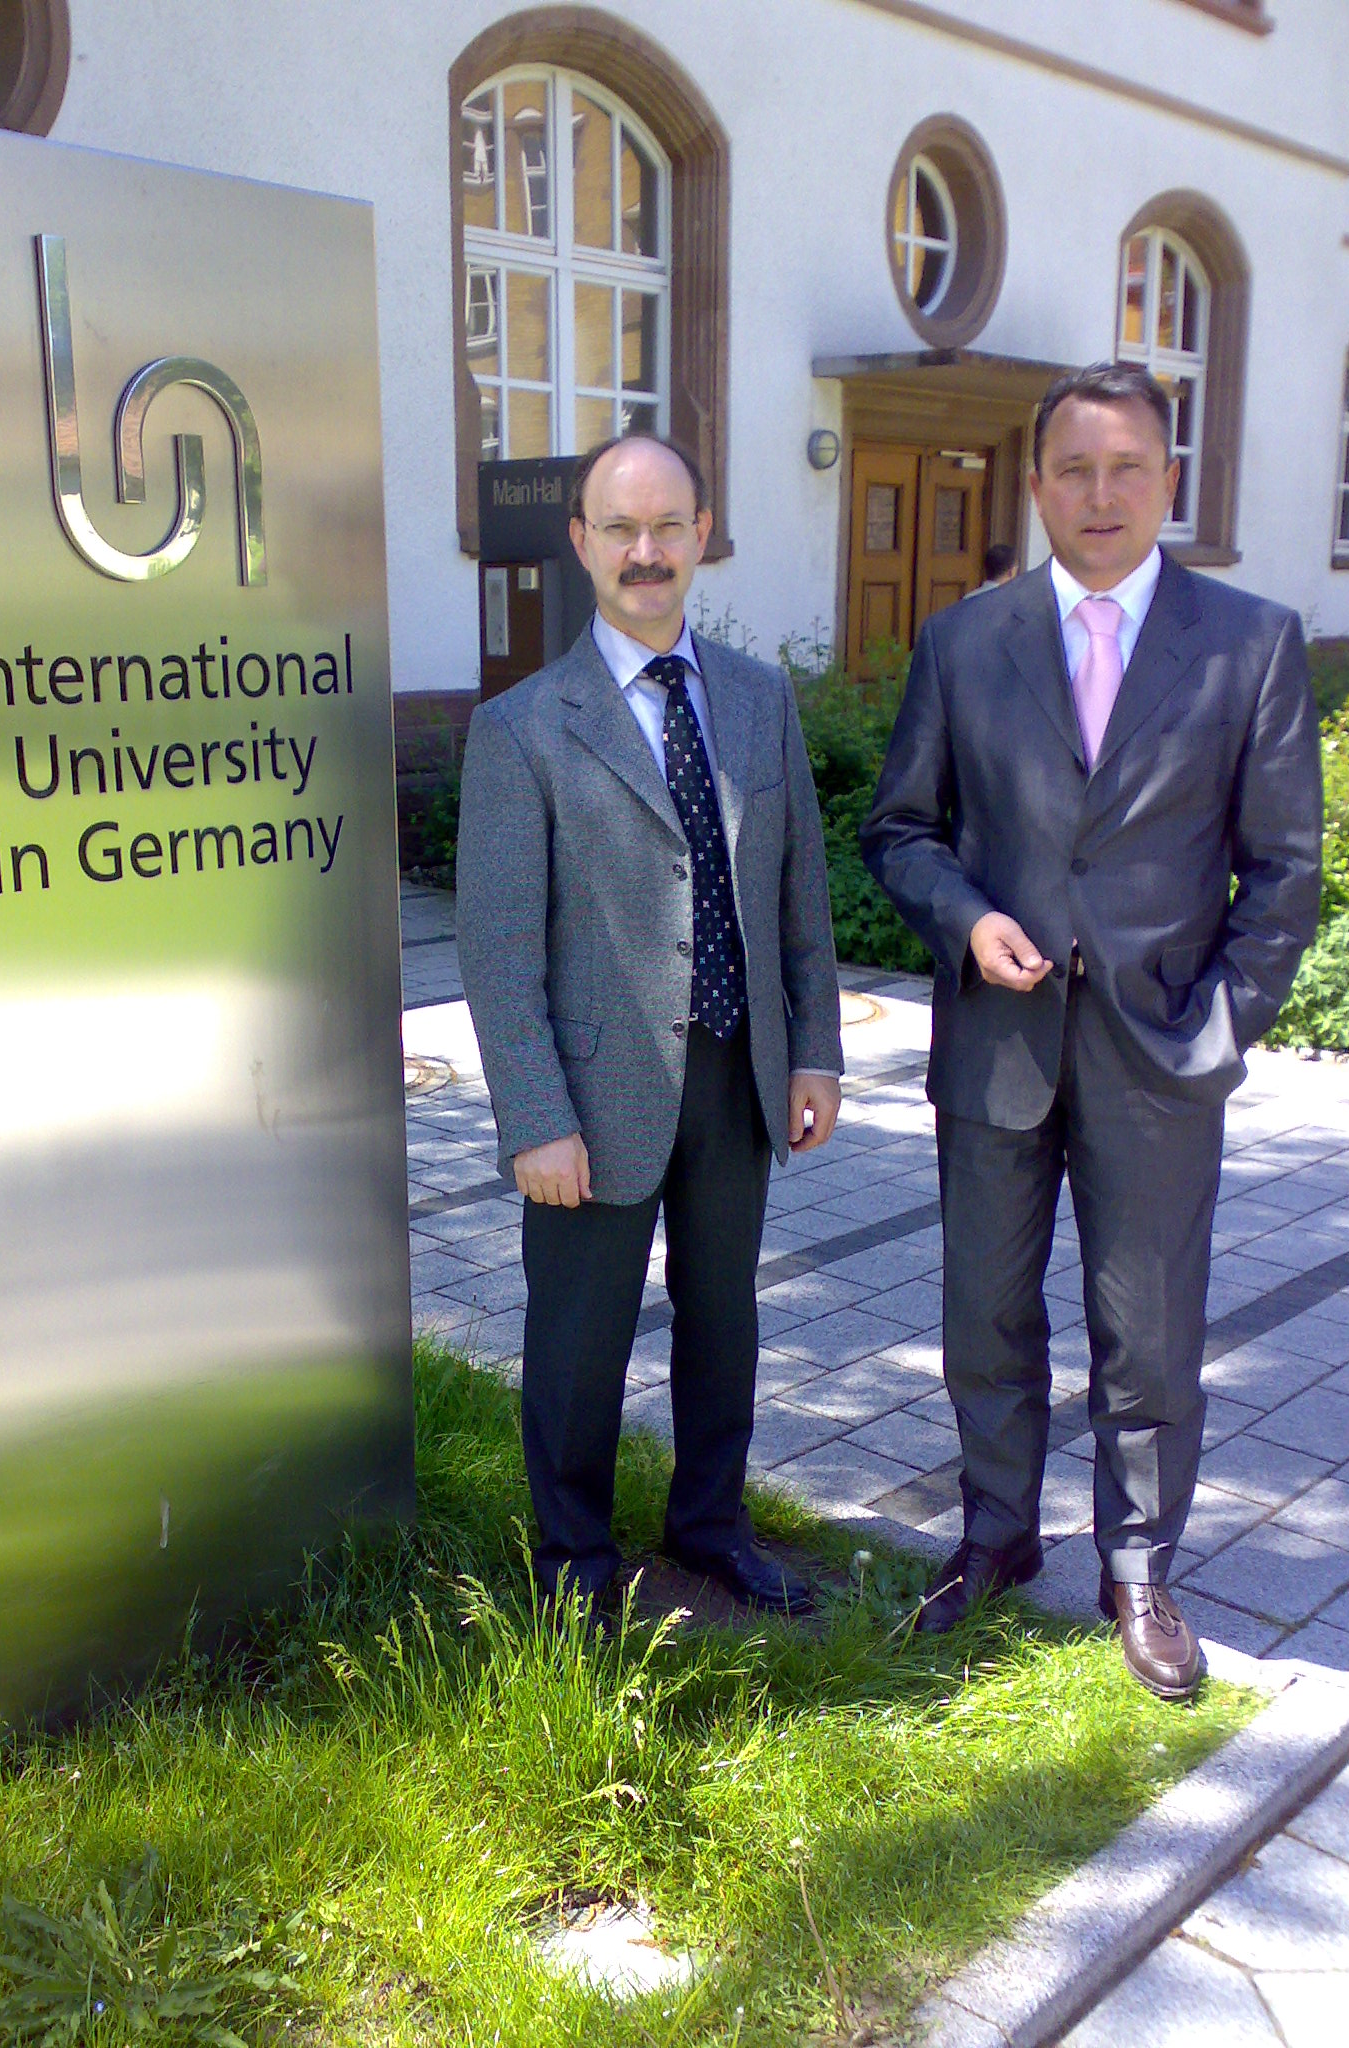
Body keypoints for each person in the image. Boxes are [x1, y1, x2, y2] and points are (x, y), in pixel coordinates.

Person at [862, 361, 1322, 1698]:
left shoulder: (1250, 642)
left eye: (1127, 467)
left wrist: (1219, 1032)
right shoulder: (965, 641)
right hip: (997, 1047)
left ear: (1169, 479)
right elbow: (901, 829)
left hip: (1159, 1054)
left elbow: (1283, 872)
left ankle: (1139, 1568)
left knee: (1150, 1329)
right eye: (1075, 469)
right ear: (1037, 485)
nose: (1101, 493)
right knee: (984, 1316)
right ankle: (995, 1537)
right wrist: (965, 921)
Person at [456, 433, 844, 1620]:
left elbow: (801, 894)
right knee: (581, 1339)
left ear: (701, 535)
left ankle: (711, 1525)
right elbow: (498, 947)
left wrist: (816, 1048)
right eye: (620, 528)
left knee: (725, 1320)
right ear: (581, 541)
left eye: (668, 525)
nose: (645, 551)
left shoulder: (758, 697)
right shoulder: (524, 725)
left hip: (737, 1070)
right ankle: (574, 1563)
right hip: (593, 1092)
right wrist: (535, 1116)